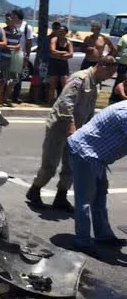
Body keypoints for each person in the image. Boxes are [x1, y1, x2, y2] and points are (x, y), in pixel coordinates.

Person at [26, 56, 117, 212]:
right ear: (102, 67)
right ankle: (34, 190)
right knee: (50, 164)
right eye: (110, 73)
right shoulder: (80, 78)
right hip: (60, 127)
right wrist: (71, 126)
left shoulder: (95, 83)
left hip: (77, 131)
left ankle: (61, 196)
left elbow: (88, 110)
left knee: (71, 166)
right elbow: (66, 103)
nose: (110, 77)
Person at [67, 101, 127, 252]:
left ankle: (103, 235)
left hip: (96, 155)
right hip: (85, 152)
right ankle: (82, 242)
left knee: (100, 195)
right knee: (84, 199)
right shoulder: (125, 113)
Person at [0, 13, 23, 106]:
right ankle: (0, 99)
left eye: (8, 19)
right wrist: (13, 47)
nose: (6, 21)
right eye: (6, 20)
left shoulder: (19, 32)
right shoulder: (3, 31)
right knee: (3, 79)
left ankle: (5, 98)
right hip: (5, 57)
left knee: (14, 80)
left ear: (13, 20)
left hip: (15, 58)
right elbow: (2, 44)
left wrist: (17, 47)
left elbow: (19, 44)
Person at [11, 9, 33, 104]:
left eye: (13, 15)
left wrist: (27, 56)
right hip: (8, 52)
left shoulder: (26, 27)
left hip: (20, 54)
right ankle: (5, 95)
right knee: (7, 76)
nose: (12, 17)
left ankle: (15, 96)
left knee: (17, 77)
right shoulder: (10, 25)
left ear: (18, 16)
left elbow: (29, 43)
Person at [47, 25, 73, 104]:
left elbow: (71, 54)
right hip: (54, 63)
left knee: (65, 85)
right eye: (59, 31)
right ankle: (50, 101)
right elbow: (52, 50)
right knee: (52, 85)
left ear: (66, 32)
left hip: (63, 65)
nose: (60, 33)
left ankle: (62, 102)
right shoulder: (54, 39)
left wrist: (59, 54)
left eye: (62, 31)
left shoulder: (68, 42)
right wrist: (64, 52)